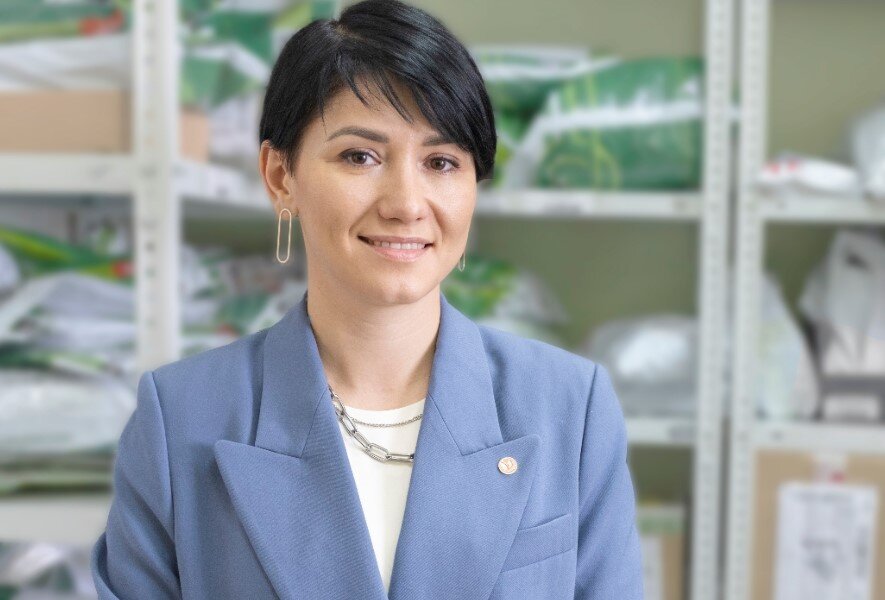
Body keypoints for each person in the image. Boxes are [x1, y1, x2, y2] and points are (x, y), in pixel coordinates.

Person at [90, 1, 644, 598]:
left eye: (441, 162)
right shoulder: (178, 419)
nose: (406, 203)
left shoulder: (570, 408)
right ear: (280, 176)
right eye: (360, 156)